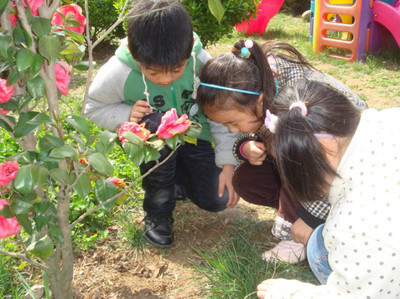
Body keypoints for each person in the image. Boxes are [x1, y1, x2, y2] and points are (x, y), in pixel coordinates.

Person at [84, 0, 240, 249]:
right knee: (157, 126)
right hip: (152, 141)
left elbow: (223, 111)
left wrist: (227, 163)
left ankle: (178, 179)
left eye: (177, 69)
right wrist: (126, 114)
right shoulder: (118, 71)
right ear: (136, 56)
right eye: (154, 73)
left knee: (218, 199)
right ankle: (158, 211)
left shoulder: (199, 60)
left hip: (195, 137)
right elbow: (91, 106)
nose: (166, 79)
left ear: (188, 49)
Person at [197, 39, 367, 263]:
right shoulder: (259, 84)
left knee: (290, 160)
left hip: (354, 173)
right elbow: (259, 130)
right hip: (311, 160)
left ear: (259, 102)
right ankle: (304, 216)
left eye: (234, 123)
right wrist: (245, 145)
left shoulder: (299, 107)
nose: (232, 130)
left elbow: (330, 168)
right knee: (248, 179)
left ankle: (312, 226)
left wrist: (309, 218)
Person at [256, 79, 400, 297]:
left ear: (323, 149)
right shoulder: (389, 119)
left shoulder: (358, 225)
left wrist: (291, 293)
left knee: (318, 245)